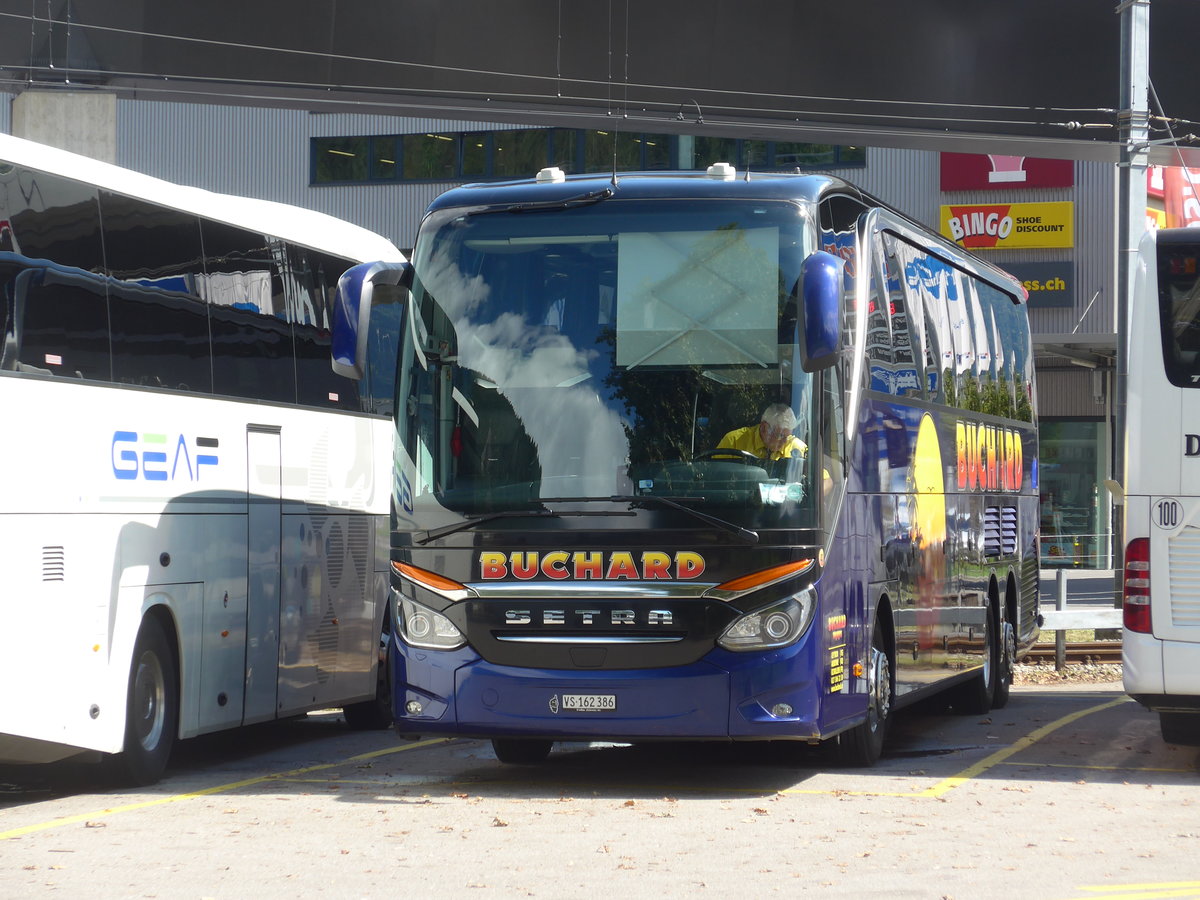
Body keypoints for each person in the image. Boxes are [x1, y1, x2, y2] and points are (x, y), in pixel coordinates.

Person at [717, 403, 807, 462]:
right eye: (781, 435)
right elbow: (714, 476)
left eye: (788, 436)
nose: (784, 442)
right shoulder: (734, 442)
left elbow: (819, 479)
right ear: (764, 428)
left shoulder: (797, 448)